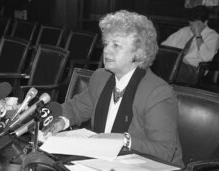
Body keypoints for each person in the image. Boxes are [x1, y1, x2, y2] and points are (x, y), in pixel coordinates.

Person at [42, 10, 184, 168]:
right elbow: (76, 108)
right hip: (103, 162)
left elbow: (165, 151)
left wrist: (124, 140)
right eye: (106, 44)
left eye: (116, 45)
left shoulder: (157, 92)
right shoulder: (101, 77)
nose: (107, 50)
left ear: (137, 53)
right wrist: (61, 121)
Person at [161, 5, 219, 85]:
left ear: (205, 22)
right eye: (191, 24)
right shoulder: (184, 31)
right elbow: (164, 45)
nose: (193, 28)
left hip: (194, 70)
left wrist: (198, 36)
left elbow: (207, 58)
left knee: (170, 67)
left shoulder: (213, 36)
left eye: (197, 24)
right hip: (175, 65)